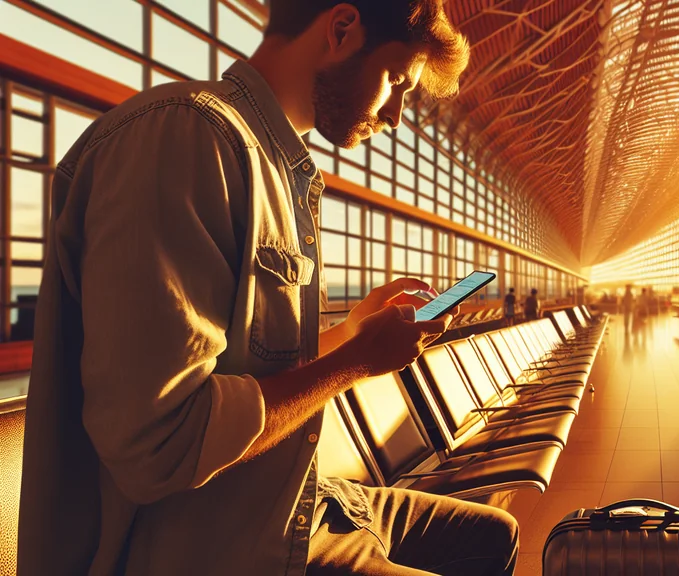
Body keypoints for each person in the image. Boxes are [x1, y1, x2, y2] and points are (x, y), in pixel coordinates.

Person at [17, 2, 521, 575]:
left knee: (491, 533)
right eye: (396, 81)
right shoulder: (187, 138)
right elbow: (160, 446)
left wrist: (353, 335)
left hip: (302, 502)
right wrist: (354, 361)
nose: (396, 115)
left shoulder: (276, 169)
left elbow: (249, 375)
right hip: (213, 547)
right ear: (341, 30)